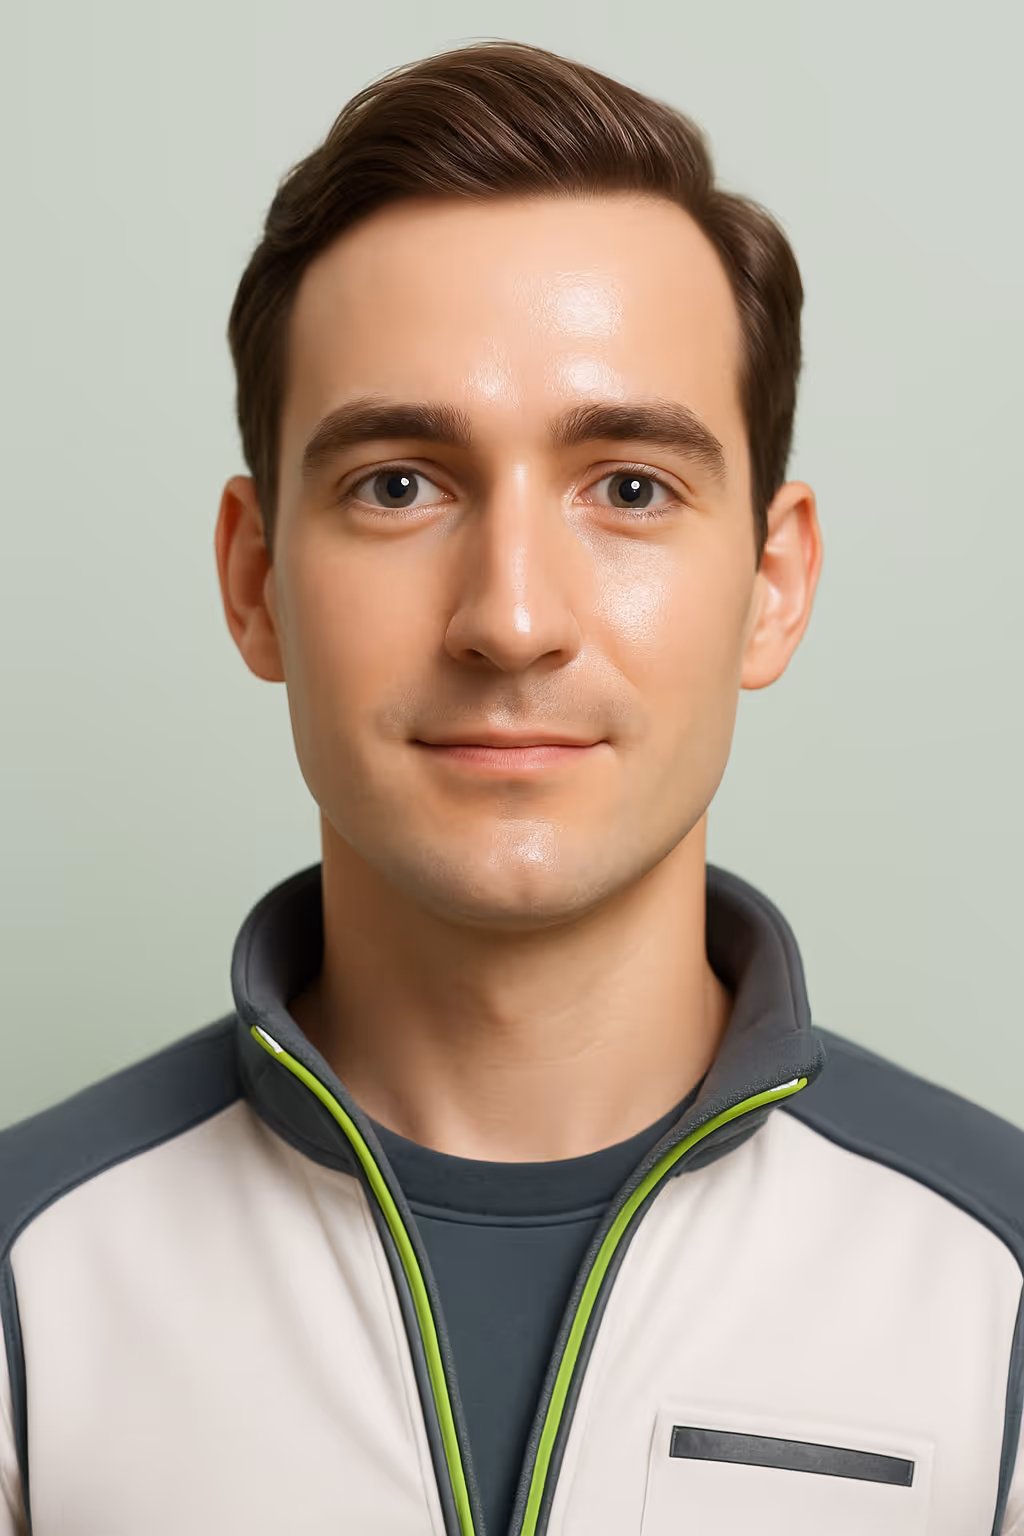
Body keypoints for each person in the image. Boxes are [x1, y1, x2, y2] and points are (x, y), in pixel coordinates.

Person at [1, 40, 1021, 1536]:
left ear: (773, 584)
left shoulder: (995, 1293)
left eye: (629, 486)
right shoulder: (29, 1291)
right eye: (399, 484)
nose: (513, 616)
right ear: (255, 579)